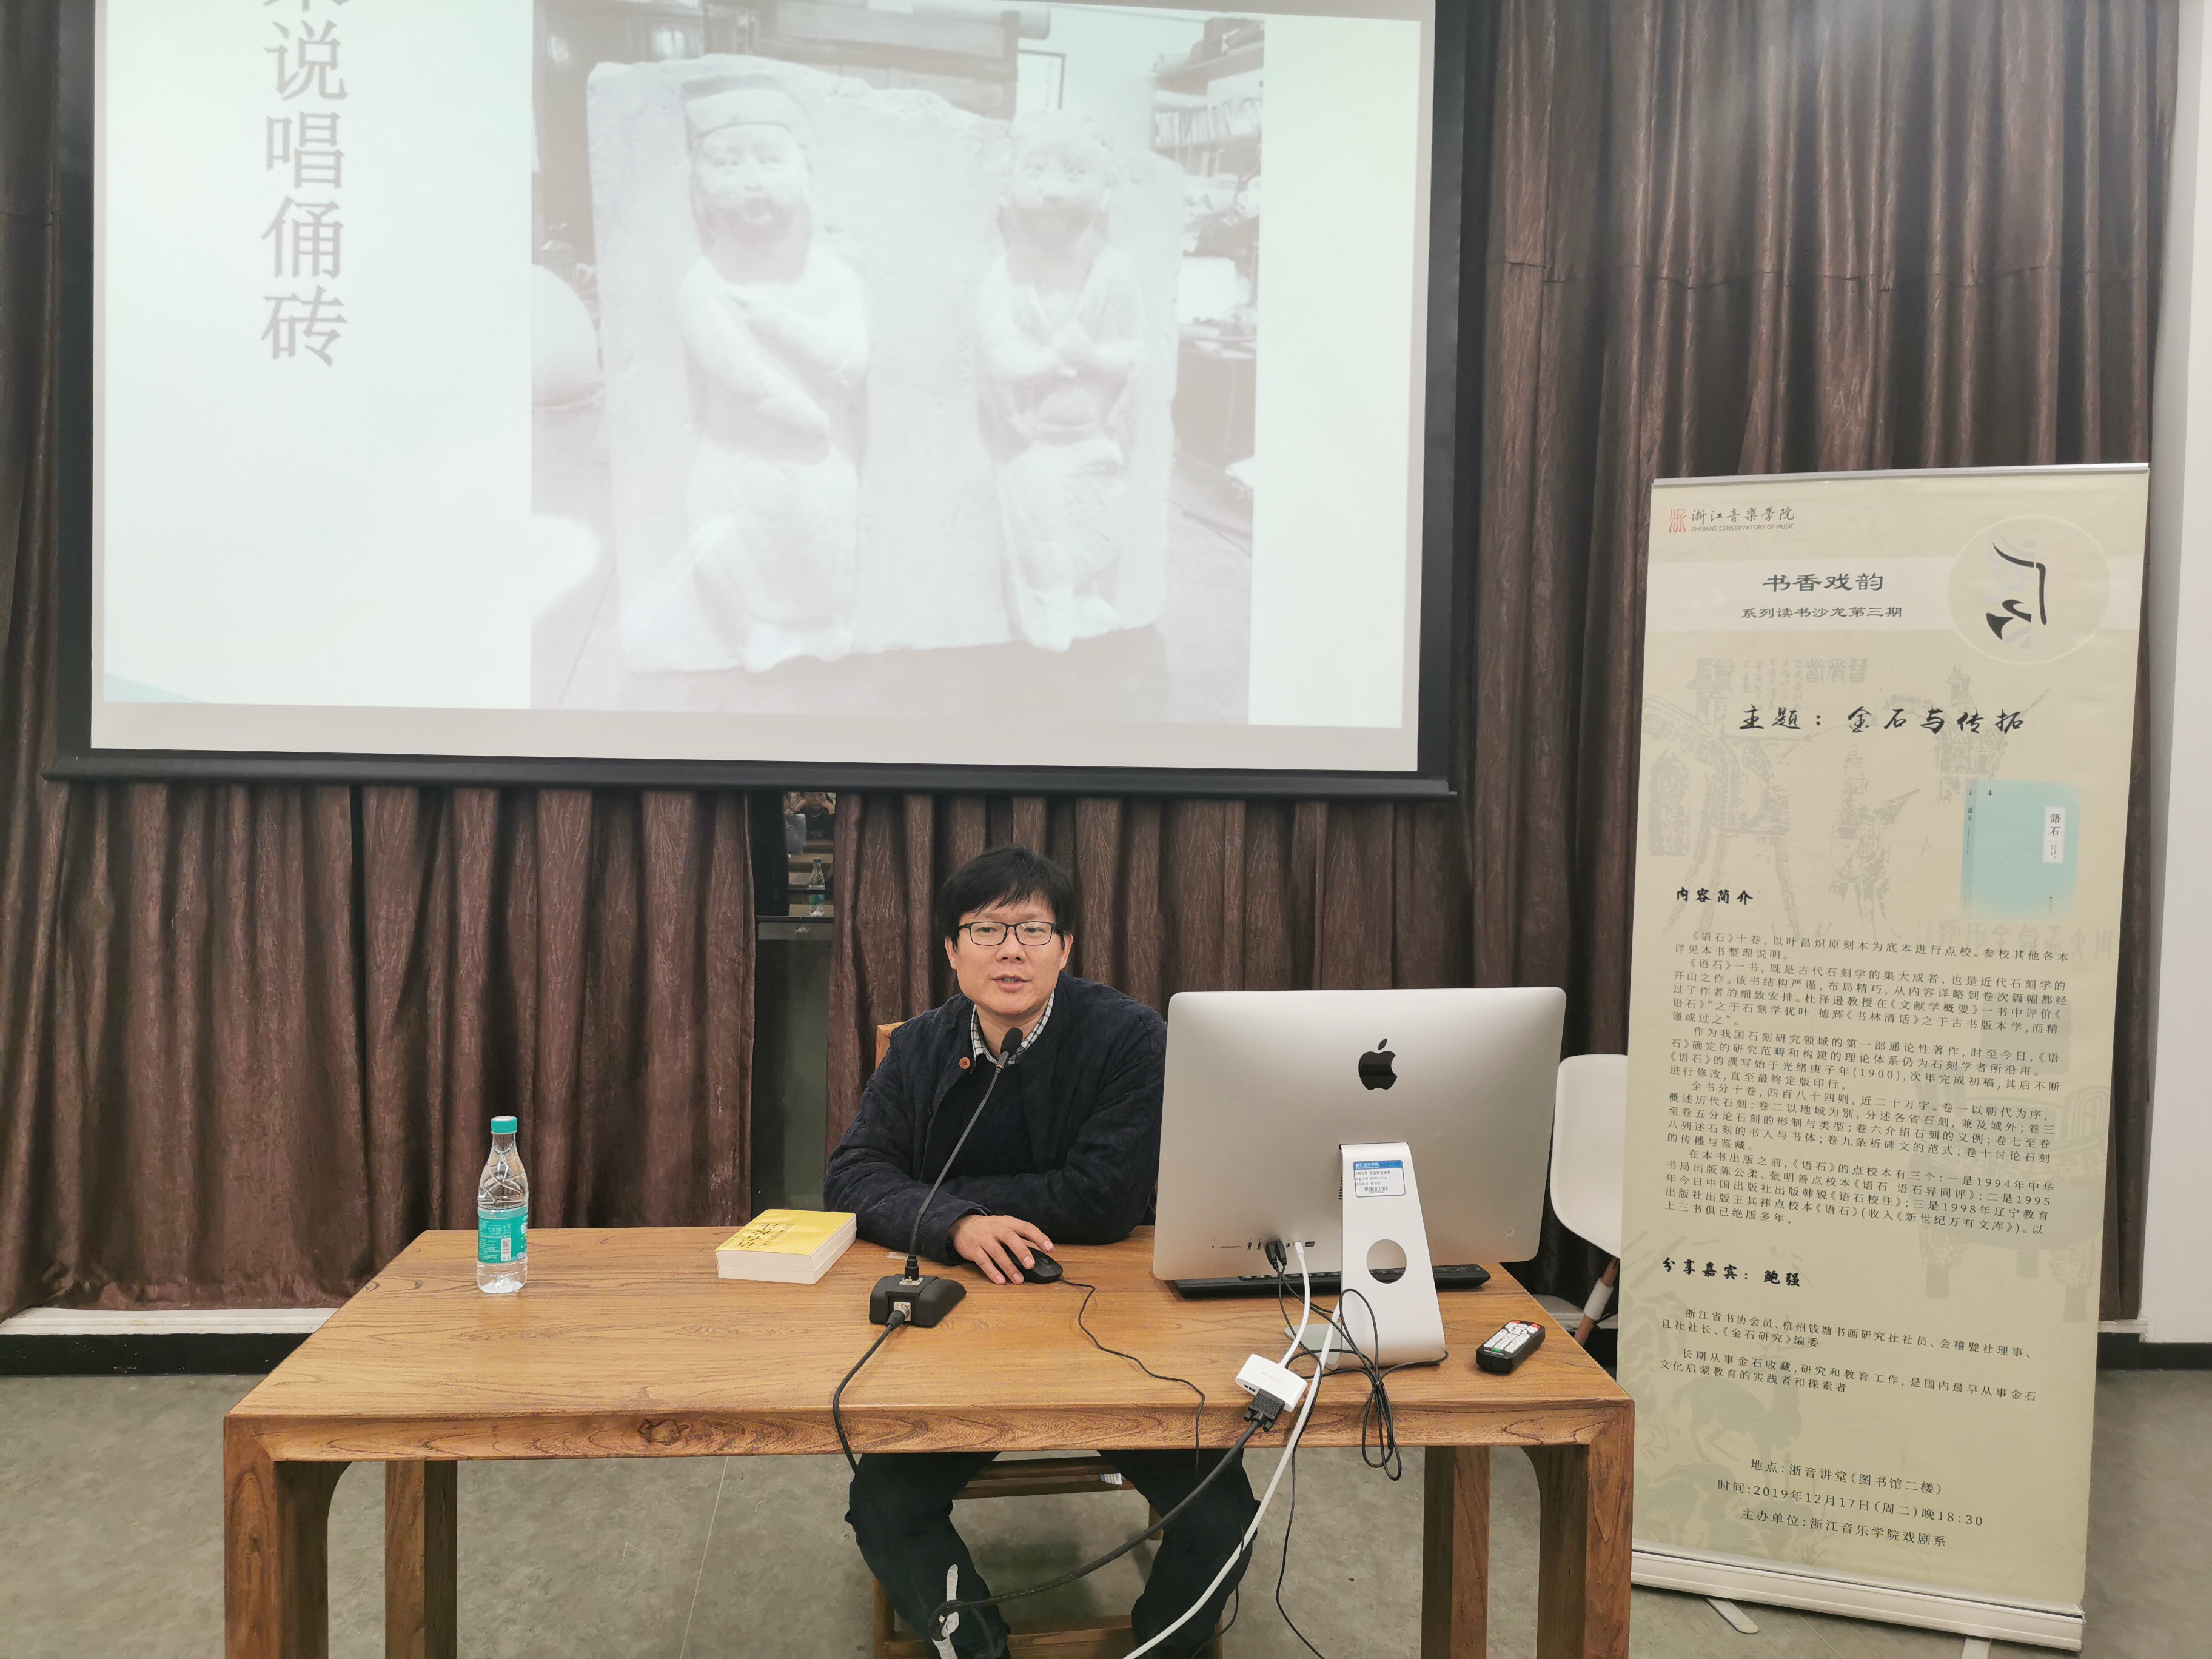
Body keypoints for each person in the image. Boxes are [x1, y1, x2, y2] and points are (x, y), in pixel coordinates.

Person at [825, 846, 1254, 1659]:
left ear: (1066, 948)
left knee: (1221, 1513)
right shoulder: (920, 1046)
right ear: (952, 950)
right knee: (883, 1504)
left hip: (1118, 1324)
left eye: (1033, 930)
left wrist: (952, 1198)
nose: (1010, 952)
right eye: (986, 930)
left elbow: (1104, 1199)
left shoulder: (1129, 1037)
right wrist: (957, 1225)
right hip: (959, 1334)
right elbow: (851, 1175)